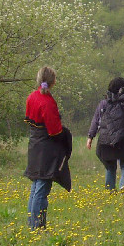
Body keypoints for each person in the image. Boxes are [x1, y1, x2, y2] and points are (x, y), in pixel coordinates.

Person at [24, 66, 73, 229]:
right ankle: (37, 227)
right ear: (53, 82)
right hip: (47, 149)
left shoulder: (31, 97)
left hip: (34, 145)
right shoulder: (48, 102)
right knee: (42, 187)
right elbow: (55, 131)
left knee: (36, 185)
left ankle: (32, 224)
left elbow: (29, 121)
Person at [87, 77, 124, 191]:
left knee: (110, 167)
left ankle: (110, 190)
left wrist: (90, 136)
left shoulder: (103, 103)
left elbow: (96, 120)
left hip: (106, 139)